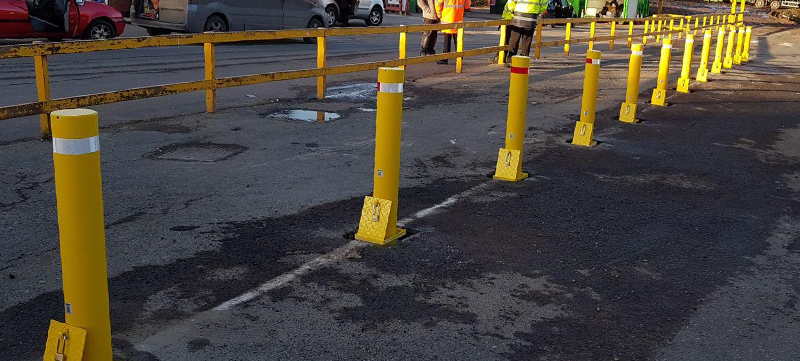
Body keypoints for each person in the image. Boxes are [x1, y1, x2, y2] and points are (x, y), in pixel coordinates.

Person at [435, 0, 470, 64]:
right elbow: (467, 6)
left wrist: (439, 14)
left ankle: (445, 59)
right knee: (458, 41)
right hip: (458, 19)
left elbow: (438, 3)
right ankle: (459, 58)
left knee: (447, 41)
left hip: (447, 19)